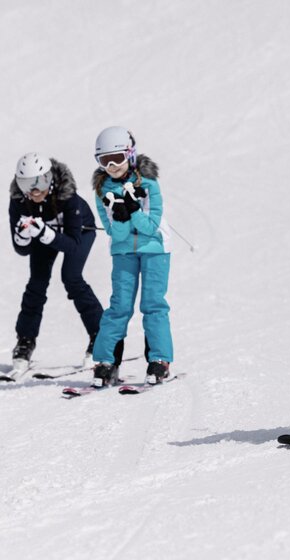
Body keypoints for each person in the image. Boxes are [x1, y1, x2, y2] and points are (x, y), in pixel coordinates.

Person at [91, 126, 173, 387]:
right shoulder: (102, 189)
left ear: (131, 154)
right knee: (120, 306)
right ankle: (106, 361)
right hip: (123, 250)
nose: (112, 166)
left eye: (117, 158)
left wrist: (134, 209)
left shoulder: (149, 183)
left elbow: (150, 226)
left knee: (152, 304)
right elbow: (116, 234)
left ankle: (159, 360)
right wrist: (123, 216)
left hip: (155, 249)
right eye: (105, 161)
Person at [9, 152, 104, 377]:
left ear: (50, 179)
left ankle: (100, 336)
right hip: (44, 235)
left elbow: (72, 245)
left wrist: (45, 233)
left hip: (80, 232)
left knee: (71, 278)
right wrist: (22, 238)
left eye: (39, 182)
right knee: (37, 283)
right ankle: (25, 341)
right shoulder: (19, 202)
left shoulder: (67, 197)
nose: (34, 191)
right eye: (26, 184)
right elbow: (21, 250)